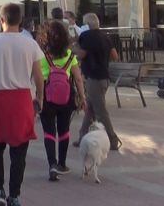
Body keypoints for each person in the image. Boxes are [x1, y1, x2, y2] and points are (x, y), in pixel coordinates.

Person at [0, 3, 44, 206]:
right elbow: (39, 76)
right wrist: (40, 98)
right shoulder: (30, 44)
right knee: (19, 152)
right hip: (22, 100)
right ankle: (14, 195)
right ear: (21, 21)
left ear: (1, 20)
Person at [39, 20, 85, 181]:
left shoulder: (42, 56)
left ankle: (51, 164)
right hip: (66, 98)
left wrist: (37, 97)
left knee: (49, 132)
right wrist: (83, 98)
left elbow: (35, 78)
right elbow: (78, 79)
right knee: (64, 130)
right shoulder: (70, 56)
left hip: (46, 97)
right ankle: (62, 163)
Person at [75, 13, 120, 150]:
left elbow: (81, 55)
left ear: (87, 25)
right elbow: (115, 56)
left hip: (93, 78)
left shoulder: (86, 36)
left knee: (100, 111)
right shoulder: (105, 37)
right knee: (90, 109)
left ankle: (113, 139)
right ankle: (82, 136)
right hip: (104, 77)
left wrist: (73, 48)